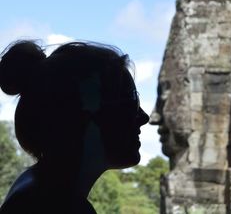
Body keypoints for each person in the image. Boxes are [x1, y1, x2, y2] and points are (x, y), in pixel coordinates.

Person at [0, 40, 149, 214]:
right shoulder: (59, 205)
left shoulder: (36, 188)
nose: (143, 117)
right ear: (80, 112)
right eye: (130, 101)